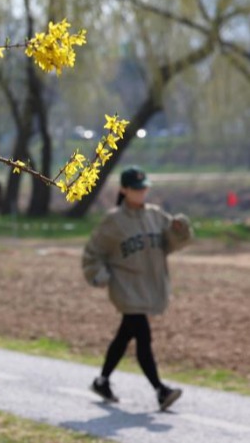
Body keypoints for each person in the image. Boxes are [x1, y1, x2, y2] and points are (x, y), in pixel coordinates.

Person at [82, 166, 193, 411]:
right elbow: (93, 253)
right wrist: (98, 275)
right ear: (124, 190)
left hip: (150, 287)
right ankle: (160, 390)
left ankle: (102, 381)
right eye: (136, 189)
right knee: (143, 337)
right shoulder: (113, 221)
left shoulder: (156, 215)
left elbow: (171, 244)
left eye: (144, 188)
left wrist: (180, 231)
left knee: (124, 336)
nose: (141, 193)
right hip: (126, 289)